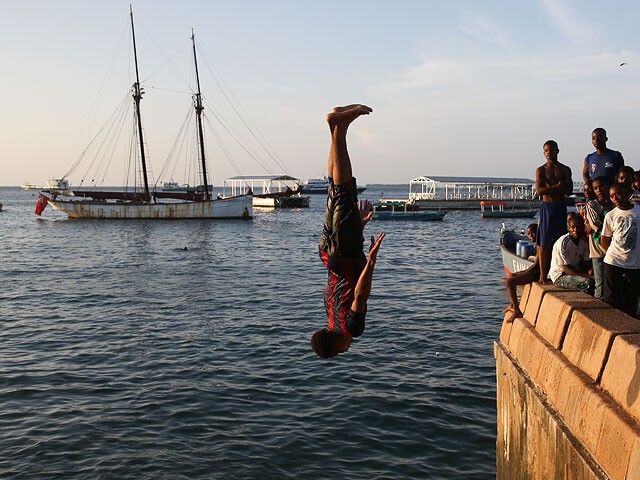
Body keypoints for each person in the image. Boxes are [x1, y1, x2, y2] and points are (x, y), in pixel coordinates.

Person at [311, 104, 385, 359]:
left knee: (344, 190)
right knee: (335, 190)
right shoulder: (329, 313)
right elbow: (340, 284)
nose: (348, 349)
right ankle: (335, 128)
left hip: (345, 254)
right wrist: (359, 226)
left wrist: (371, 262)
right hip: (327, 253)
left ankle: (339, 129)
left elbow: (360, 295)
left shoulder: (351, 329)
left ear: (337, 345)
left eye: (341, 351)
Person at [535, 140, 573, 285]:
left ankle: (558, 271)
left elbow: (568, 190)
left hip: (560, 206)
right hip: (547, 207)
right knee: (544, 242)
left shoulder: (565, 169)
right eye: (546, 150)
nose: (549, 153)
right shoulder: (541, 170)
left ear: (557, 150)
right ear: (543, 152)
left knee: (561, 240)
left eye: (551, 150)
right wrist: (558, 186)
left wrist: (551, 187)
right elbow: (540, 191)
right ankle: (543, 275)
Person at [601, 183, 640, 316]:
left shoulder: (638, 212)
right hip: (613, 261)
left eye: (618, 194)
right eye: (611, 196)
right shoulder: (610, 215)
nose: (615, 198)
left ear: (627, 194)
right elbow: (604, 240)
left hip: (634, 263)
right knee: (610, 298)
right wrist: (615, 255)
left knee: (631, 298)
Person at [548, 212, 594, 294]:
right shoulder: (563, 243)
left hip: (575, 271)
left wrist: (592, 272)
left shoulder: (584, 242)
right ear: (568, 228)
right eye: (573, 227)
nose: (575, 230)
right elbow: (567, 269)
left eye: (578, 227)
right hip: (560, 276)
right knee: (587, 283)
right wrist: (589, 276)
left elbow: (587, 263)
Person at [503, 224, 539, 323]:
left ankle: (517, 310)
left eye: (533, 233)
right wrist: (518, 273)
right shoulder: (537, 246)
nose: (530, 236)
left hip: (536, 273)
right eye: (528, 234)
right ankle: (512, 305)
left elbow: (535, 267)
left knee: (510, 282)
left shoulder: (540, 246)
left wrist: (521, 273)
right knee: (511, 276)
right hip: (534, 270)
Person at [585, 176, 614, 299]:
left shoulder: (614, 204)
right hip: (598, 251)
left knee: (612, 283)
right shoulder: (592, 205)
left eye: (601, 186)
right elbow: (596, 224)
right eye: (596, 188)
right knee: (600, 283)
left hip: (613, 251)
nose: (599, 190)